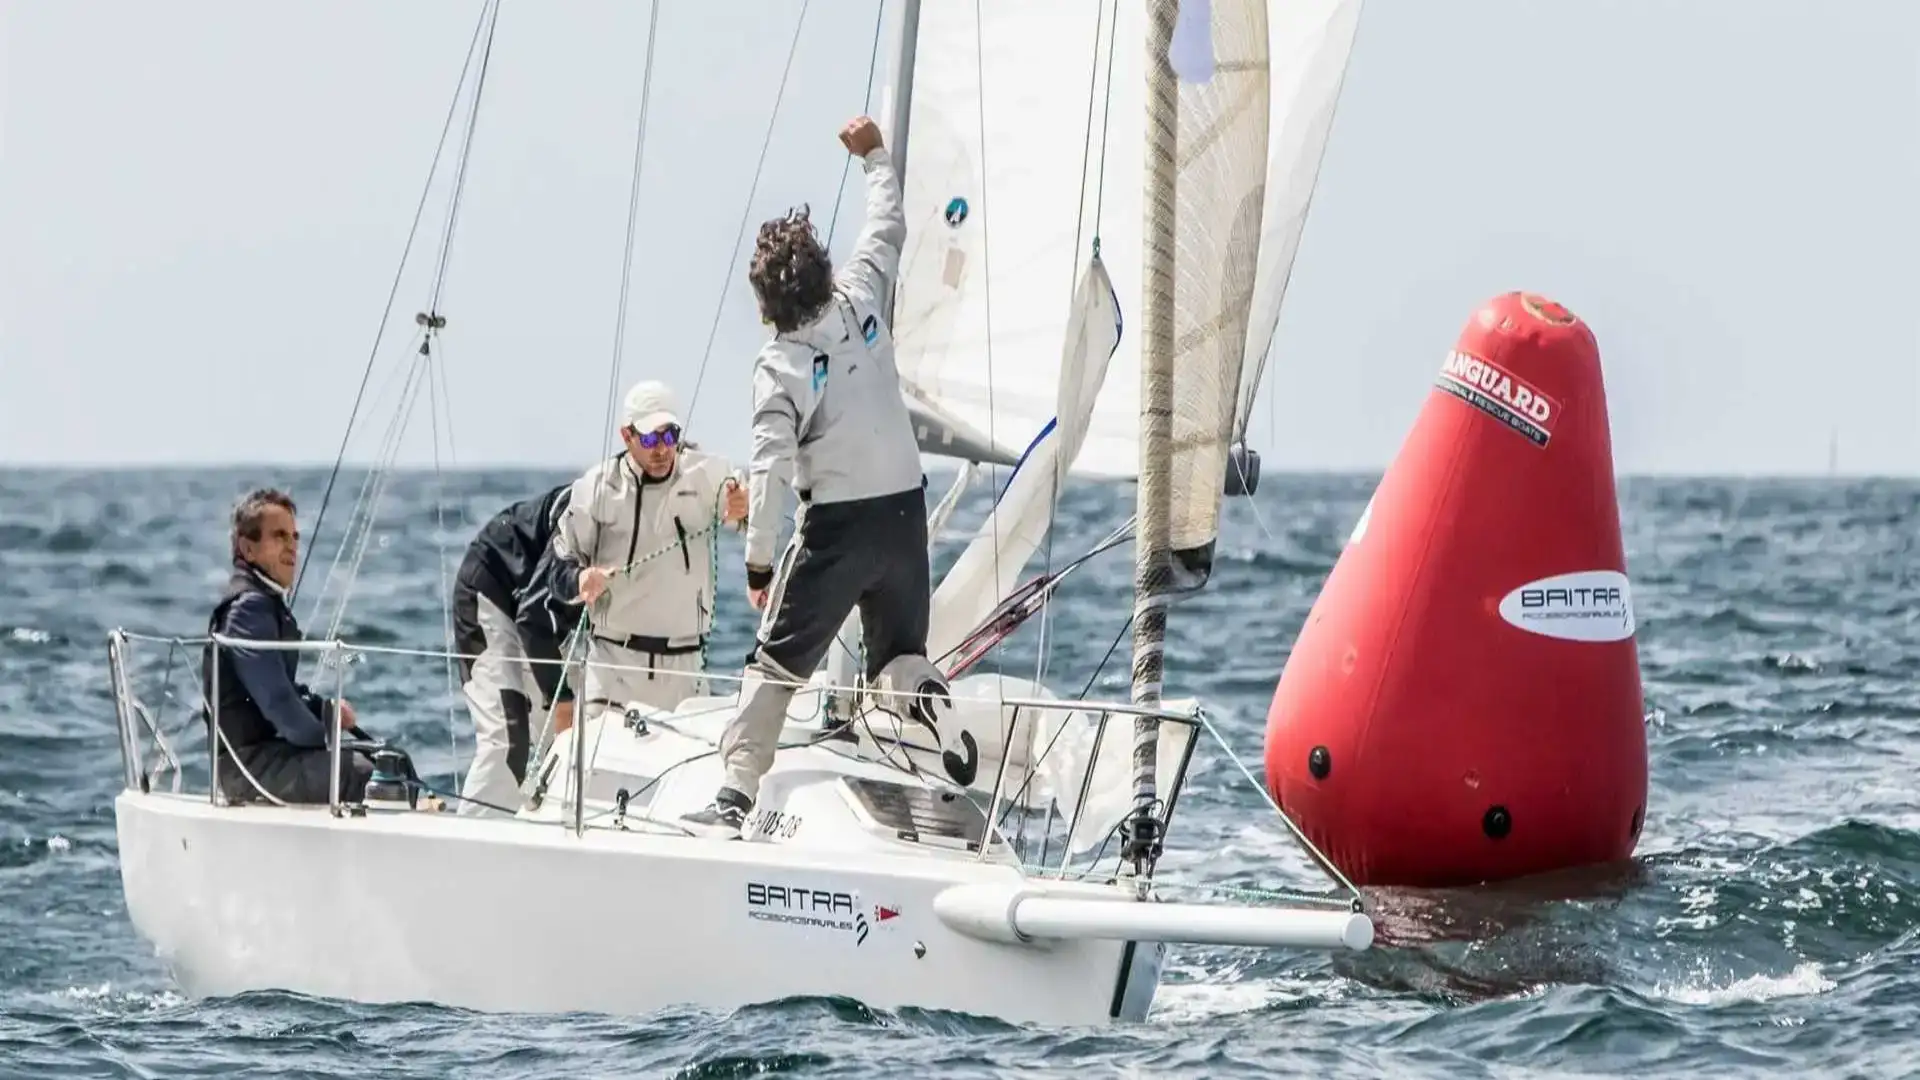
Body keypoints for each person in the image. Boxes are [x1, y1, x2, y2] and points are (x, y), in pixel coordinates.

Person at [680, 115, 950, 840]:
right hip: (906, 514)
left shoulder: (779, 367)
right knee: (898, 657)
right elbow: (887, 225)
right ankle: (928, 700)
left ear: (767, 303)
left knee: (775, 665)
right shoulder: (861, 296)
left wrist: (760, 561)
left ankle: (734, 795)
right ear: (823, 270)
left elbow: (768, 472)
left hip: (839, 530)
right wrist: (873, 157)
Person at [547, 379, 748, 720]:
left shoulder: (708, 476)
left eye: (670, 436)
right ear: (627, 436)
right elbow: (557, 567)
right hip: (614, 667)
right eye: (651, 438)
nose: (662, 449)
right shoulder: (596, 489)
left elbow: (754, 516)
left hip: (685, 671)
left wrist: (744, 509)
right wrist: (581, 579)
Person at [201, 487, 376, 805]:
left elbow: (280, 690)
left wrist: (325, 710)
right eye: (279, 536)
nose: (292, 547)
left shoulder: (263, 602)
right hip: (249, 768)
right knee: (365, 773)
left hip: (266, 757)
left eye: (294, 537)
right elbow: (278, 702)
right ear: (247, 549)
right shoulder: (248, 609)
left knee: (382, 760)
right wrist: (325, 739)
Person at [451, 482, 584, 816]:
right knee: (509, 738)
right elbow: (533, 617)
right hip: (492, 588)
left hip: (546, 610)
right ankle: (467, 843)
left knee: (563, 738)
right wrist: (563, 698)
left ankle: (533, 824)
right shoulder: (594, 505)